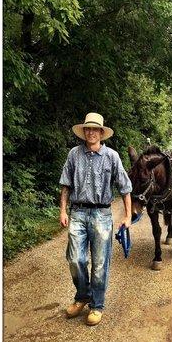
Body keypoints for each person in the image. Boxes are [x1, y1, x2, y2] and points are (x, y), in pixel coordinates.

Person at [59, 112, 132, 326]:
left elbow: (125, 188)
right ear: (84, 132)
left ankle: (97, 305)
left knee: (100, 264)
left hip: (102, 214)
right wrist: (63, 211)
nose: (91, 132)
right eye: (87, 129)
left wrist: (127, 216)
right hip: (78, 213)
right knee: (75, 259)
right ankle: (82, 296)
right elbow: (66, 185)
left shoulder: (112, 157)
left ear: (101, 133)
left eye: (95, 129)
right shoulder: (74, 154)